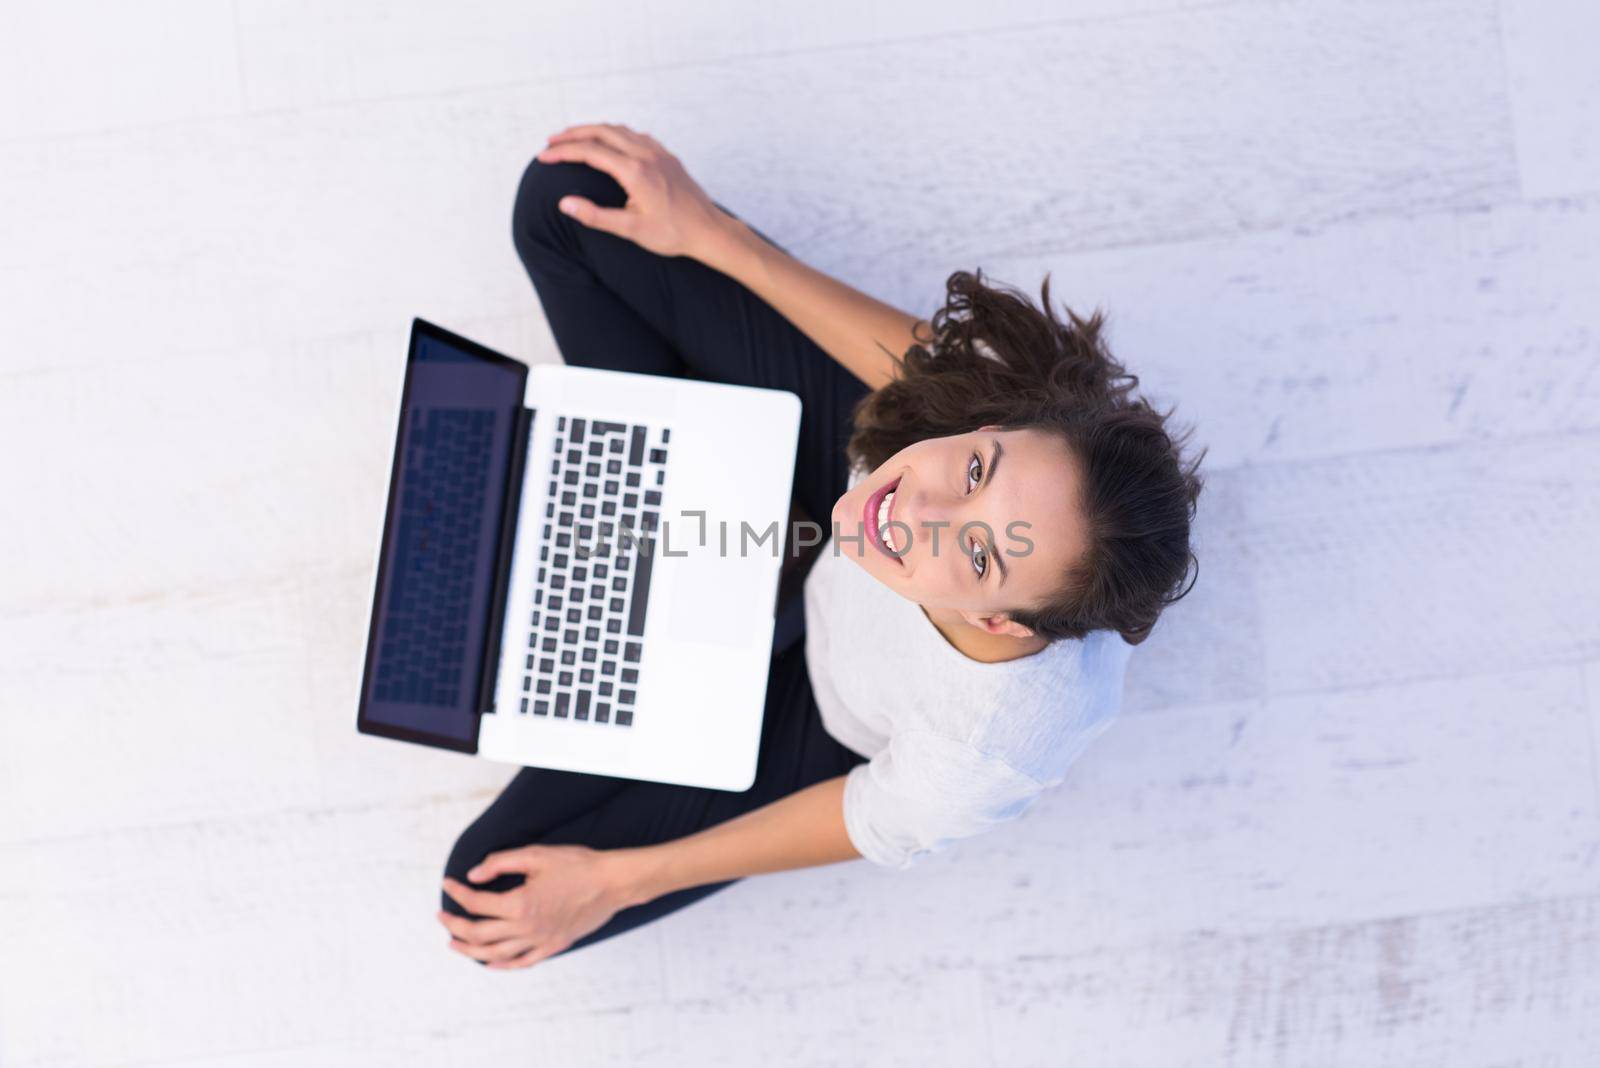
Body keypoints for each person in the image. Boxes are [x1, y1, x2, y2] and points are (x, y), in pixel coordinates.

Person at [437, 123, 1205, 970]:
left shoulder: (993, 747)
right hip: (815, 473)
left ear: (1004, 625)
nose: (917, 510)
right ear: (994, 425)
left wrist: (617, 881)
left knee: (485, 896)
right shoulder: (1012, 415)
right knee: (579, 196)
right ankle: (675, 488)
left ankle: (679, 531)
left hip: (818, 704)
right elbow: (924, 379)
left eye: (981, 556)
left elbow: (858, 813)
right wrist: (709, 235)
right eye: (976, 466)